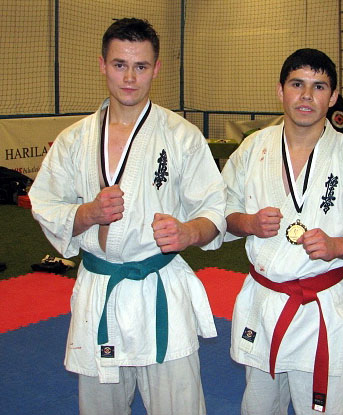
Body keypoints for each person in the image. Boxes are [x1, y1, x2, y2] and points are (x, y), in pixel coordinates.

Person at [29, 18, 226, 415]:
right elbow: (44, 203)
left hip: (160, 287)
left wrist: (189, 232)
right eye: (120, 65)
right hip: (100, 289)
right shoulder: (74, 139)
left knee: (180, 407)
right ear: (102, 65)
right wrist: (87, 213)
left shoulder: (182, 136)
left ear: (156, 68)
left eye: (141, 66)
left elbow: (214, 209)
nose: (130, 78)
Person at [221, 48, 343, 414]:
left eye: (319, 87)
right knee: (260, 405)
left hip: (321, 310)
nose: (306, 95)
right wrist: (248, 223)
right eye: (297, 84)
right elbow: (221, 212)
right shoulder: (253, 148)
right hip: (264, 302)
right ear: (280, 90)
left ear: (332, 97)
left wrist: (337, 246)